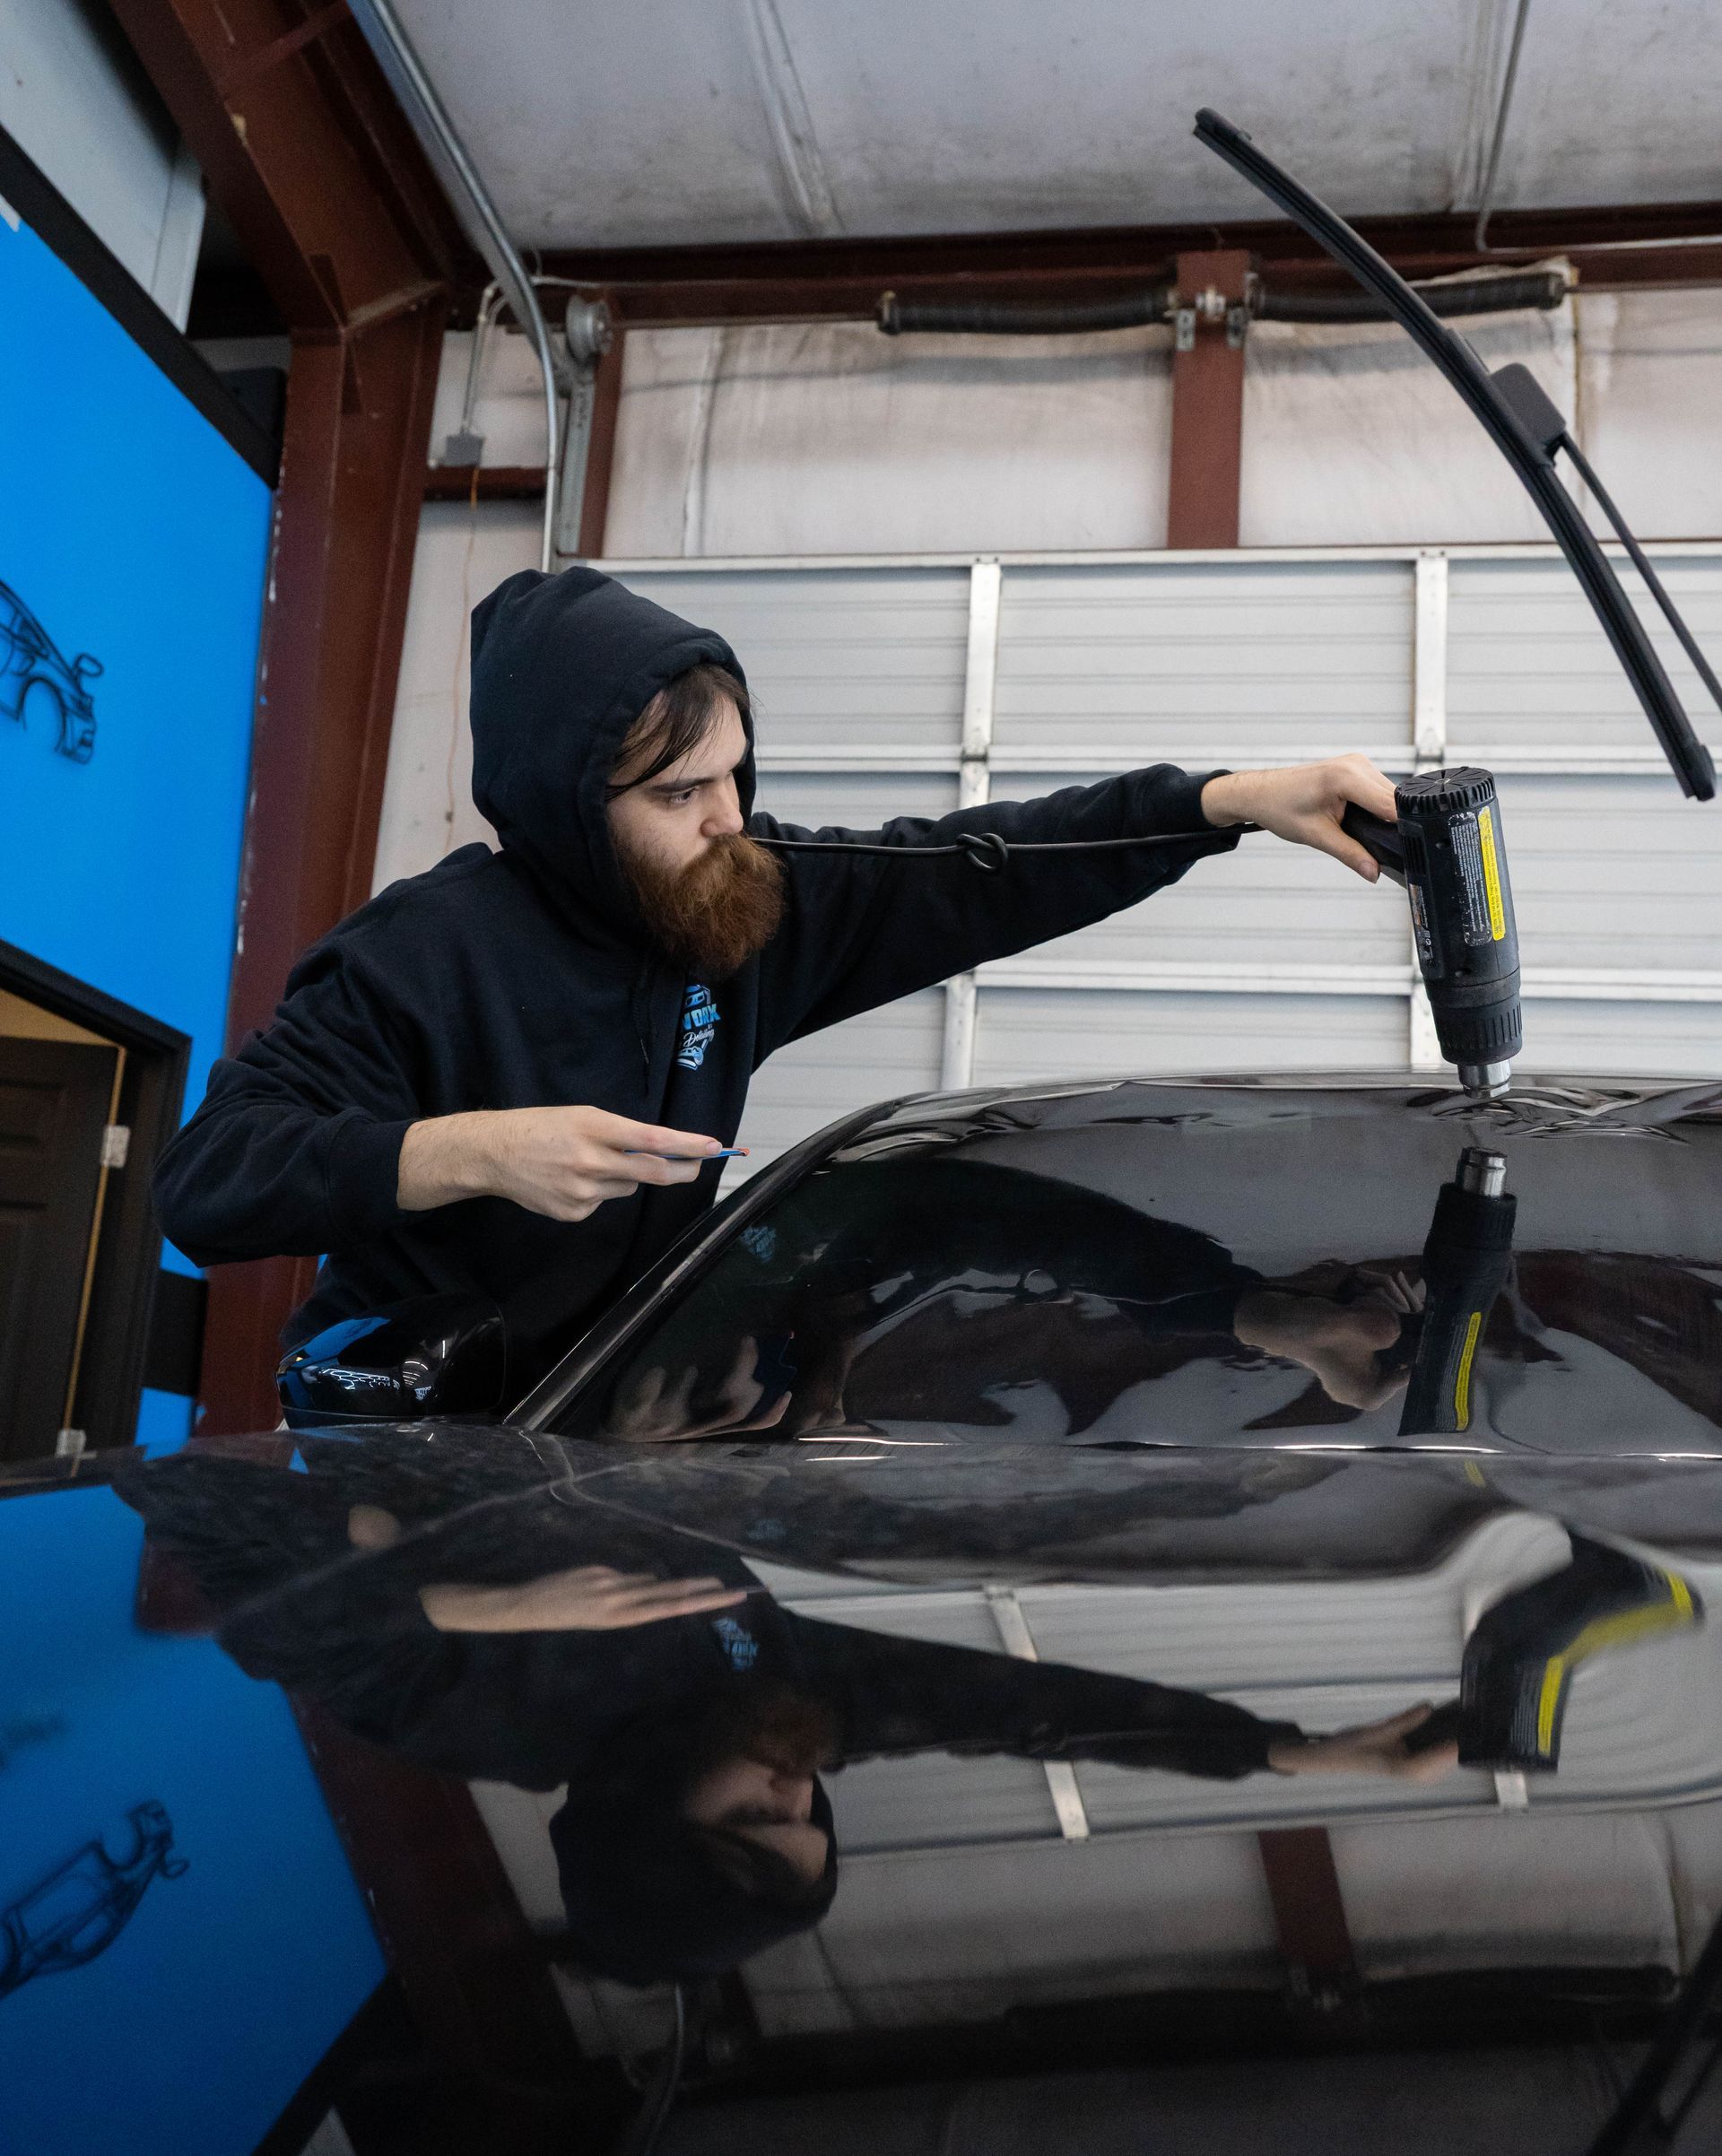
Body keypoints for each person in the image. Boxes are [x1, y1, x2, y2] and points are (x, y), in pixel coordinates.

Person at [153, 565, 1401, 1399]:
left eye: (735, 775)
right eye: (678, 793)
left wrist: (1224, 804)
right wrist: (473, 1150)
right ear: (566, 808)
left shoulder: (735, 899)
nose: (727, 819)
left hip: (615, 1432)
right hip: (407, 1468)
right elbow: (207, 1179)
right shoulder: (421, 959)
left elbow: (979, 871)